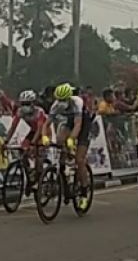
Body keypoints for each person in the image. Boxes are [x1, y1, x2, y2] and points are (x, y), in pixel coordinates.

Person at [49, 83, 94, 211]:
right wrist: (45, 137)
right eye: (59, 100)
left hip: (84, 123)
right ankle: (63, 171)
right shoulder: (55, 105)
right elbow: (47, 123)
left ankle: (84, 192)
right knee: (59, 140)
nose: (61, 102)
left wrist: (71, 140)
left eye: (64, 100)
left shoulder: (77, 102)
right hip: (69, 122)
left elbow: (78, 125)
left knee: (79, 159)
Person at [6, 90, 49, 193]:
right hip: (33, 131)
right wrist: (6, 141)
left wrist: (33, 144)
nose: (24, 106)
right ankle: (30, 177)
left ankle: (39, 177)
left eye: (27, 103)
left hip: (44, 132)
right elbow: (13, 127)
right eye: (23, 103)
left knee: (38, 154)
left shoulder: (39, 112)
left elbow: (39, 130)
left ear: (33, 103)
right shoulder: (20, 112)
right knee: (23, 150)